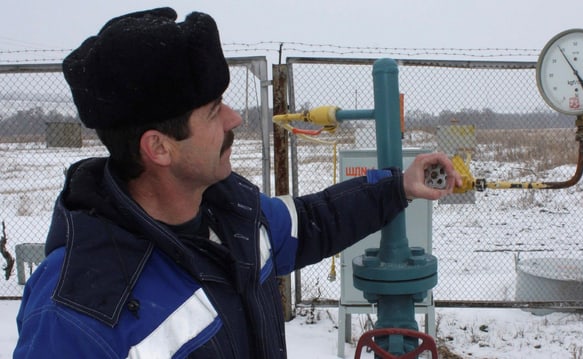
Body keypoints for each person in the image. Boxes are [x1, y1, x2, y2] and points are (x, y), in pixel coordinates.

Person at [13, 7, 461, 359]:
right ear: (160, 148)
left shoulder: (231, 213)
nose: (236, 118)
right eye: (214, 110)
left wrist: (397, 187)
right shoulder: (75, 317)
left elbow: (311, 220)